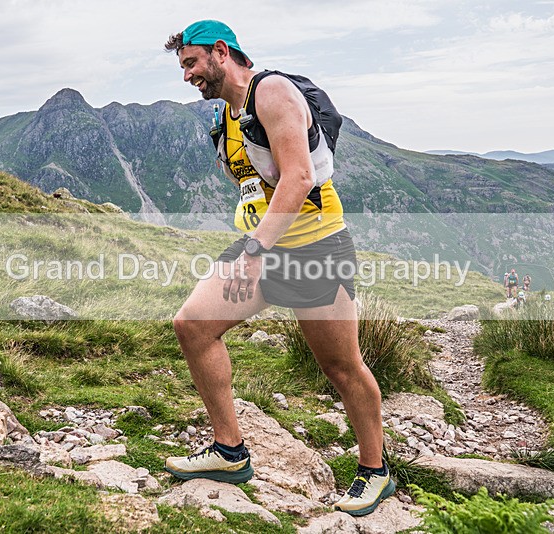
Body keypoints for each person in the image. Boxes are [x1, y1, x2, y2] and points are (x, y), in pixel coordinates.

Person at [163, 20, 394, 517]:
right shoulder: (228, 113)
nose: (186, 77)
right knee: (193, 325)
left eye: (191, 64)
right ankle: (229, 451)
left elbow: (300, 176)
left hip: (314, 249)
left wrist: (254, 252)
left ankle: (375, 472)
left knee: (340, 365)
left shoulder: (272, 92)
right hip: (264, 246)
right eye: (182, 67)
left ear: (221, 52)